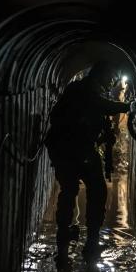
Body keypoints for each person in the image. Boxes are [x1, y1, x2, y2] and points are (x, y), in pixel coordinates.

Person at [45, 61, 129, 256]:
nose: (112, 83)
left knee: (69, 189)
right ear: (101, 75)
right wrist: (128, 106)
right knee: (95, 190)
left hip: (66, 148)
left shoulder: (82, 89)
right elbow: (99, 106)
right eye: (111, 78)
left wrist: (101, 138)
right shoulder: (85, 89)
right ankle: (89, 241)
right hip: (73, 148)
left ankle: (65, 236)